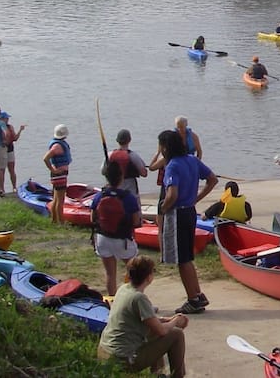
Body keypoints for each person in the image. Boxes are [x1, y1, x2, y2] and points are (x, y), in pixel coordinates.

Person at [97, 255, 190, 378]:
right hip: (123, 359)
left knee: (154, 333)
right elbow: (161, 330)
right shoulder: (139, 298)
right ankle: (177, 375)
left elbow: (147, 321)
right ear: (149, 277)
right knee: (176, 334)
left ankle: (158, 374)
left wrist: (166, 320)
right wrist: (176, 321)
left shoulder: (123, 289)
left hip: (105, 352)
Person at [157, 129, 218, 314]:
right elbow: (212, 179)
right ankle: (197, 294)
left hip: (177, 214)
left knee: (182, 259)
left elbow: (172, 194)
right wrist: (196, 199)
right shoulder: (192, 160)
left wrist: (163, 208)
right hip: (190, 211)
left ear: (166, 147)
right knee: (187, 257)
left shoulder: (172, 166)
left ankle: (193, 299)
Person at [91, 161, 142, 296]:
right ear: (121, 177)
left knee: (110, 274)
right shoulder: (128, 197)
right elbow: (136, 221)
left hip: (103, 238)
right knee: (134, 271)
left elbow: (92, 218)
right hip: (123, 240)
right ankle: (133, 298)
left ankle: (113, 301)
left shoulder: (99, 196)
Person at [102, 129, 148, 207]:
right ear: (129, 140)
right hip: (131, 193)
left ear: (117, 140)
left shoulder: (109, 155)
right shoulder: (133, 156)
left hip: (113, 192)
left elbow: (103, 172)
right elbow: (144, 173)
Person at [42, 124, 72, 225]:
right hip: (59, 175)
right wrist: (53, 170)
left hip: (58, 175)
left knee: (56, 198)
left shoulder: (57, 144)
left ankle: (54, 220)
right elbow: (45, 158)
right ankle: (61, 223)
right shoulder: (57, 146)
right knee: (60, 200)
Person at [1, 112, 26, 195]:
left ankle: (14, 187)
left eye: (7, 118)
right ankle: (2, 189)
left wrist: (20, 130)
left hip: (10, 149)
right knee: (2, 170)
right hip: (2, 150)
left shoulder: (10, 127)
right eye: (6, 118)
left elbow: (15, 138)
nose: (7, 120)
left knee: (11, 169)